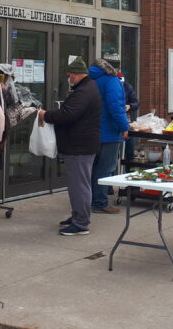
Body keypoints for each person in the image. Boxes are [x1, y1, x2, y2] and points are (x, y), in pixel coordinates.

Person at [39, 57, 101, 235]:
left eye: (69, 75)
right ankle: (77, 216)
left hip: (79, 146)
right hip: (81, 144)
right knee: (78, 184)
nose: (68, 78)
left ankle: (81, 223)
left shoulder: (83, 92)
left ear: (75, 75)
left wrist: (46, 115)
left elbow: (68, 115)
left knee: (79, 185)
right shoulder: (89, 88)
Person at [89, 60, 129, 214]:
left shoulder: (91, 79)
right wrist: (124, 126)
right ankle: (100, 203)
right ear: (114, 69)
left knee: (93, 168)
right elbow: (116, 106)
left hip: (92, 130)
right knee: (105, 169)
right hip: (109, 132)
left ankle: (91, 199)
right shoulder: (112, 81)